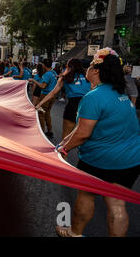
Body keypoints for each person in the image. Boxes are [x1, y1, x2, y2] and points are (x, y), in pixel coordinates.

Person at [55, 49, 140, 237]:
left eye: (91, 65)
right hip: (131, 160)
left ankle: (75, 233)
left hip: (100, 160)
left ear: (96, 71)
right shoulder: (121, 94)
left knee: (86, 195)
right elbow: (80, 130)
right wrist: (62, 142)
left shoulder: (93, 97)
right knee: (117, 204)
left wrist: (63, 148)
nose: (88, 68)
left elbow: (83, 134)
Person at [35, 58, 91, 139]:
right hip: (87, 105)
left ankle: (62, 151)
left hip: (72, 106)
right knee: (84, 137)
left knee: (65, 138)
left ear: (69, 67)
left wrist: (40, 103)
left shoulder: (65, 78)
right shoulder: (88, 77)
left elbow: (53, 92)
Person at [29, 59, 57, 137]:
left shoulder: (47, 74)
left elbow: (43, 86)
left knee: (40, 113)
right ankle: (49, 130)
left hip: (46, 95)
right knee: (47, 113)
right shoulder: (54, 73)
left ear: (44, 65)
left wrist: (33, 80)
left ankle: (41, 132)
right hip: (52, 95)